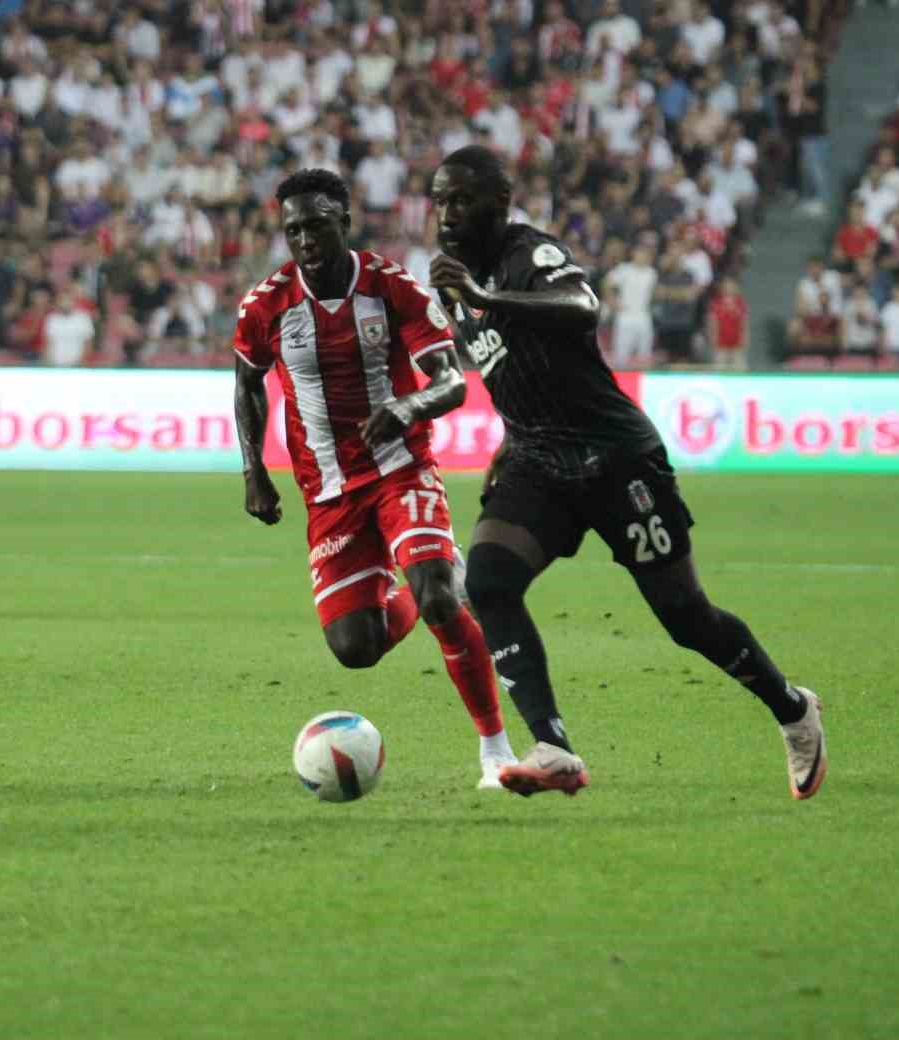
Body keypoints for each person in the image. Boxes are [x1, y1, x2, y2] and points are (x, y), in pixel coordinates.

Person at [427, 145, 825, 801]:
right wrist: (508, 439)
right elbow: (511, 369)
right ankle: (553, 746)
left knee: (684, 616)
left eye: (462, 199)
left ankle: (792, 709)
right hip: (539, 459)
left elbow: (583, 307)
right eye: (439, 199)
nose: (447, 213)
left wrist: (486, 293)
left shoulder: (529, 255)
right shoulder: (452, 284)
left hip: (615, 455)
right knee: (489, 581)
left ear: (498, 204)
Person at [234, 168, 518, 789]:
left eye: (315, 225)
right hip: (329, 491)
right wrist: (254, 470)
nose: (304, 239)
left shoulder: (394, 290)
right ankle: (431, 576)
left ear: (344, 220)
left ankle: (495, 751)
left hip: (400, 468)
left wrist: (406, 408)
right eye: (293, 229)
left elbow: (450, 382)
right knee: (355, 647)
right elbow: (246, 382)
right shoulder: (266, 306)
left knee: (441, 599)